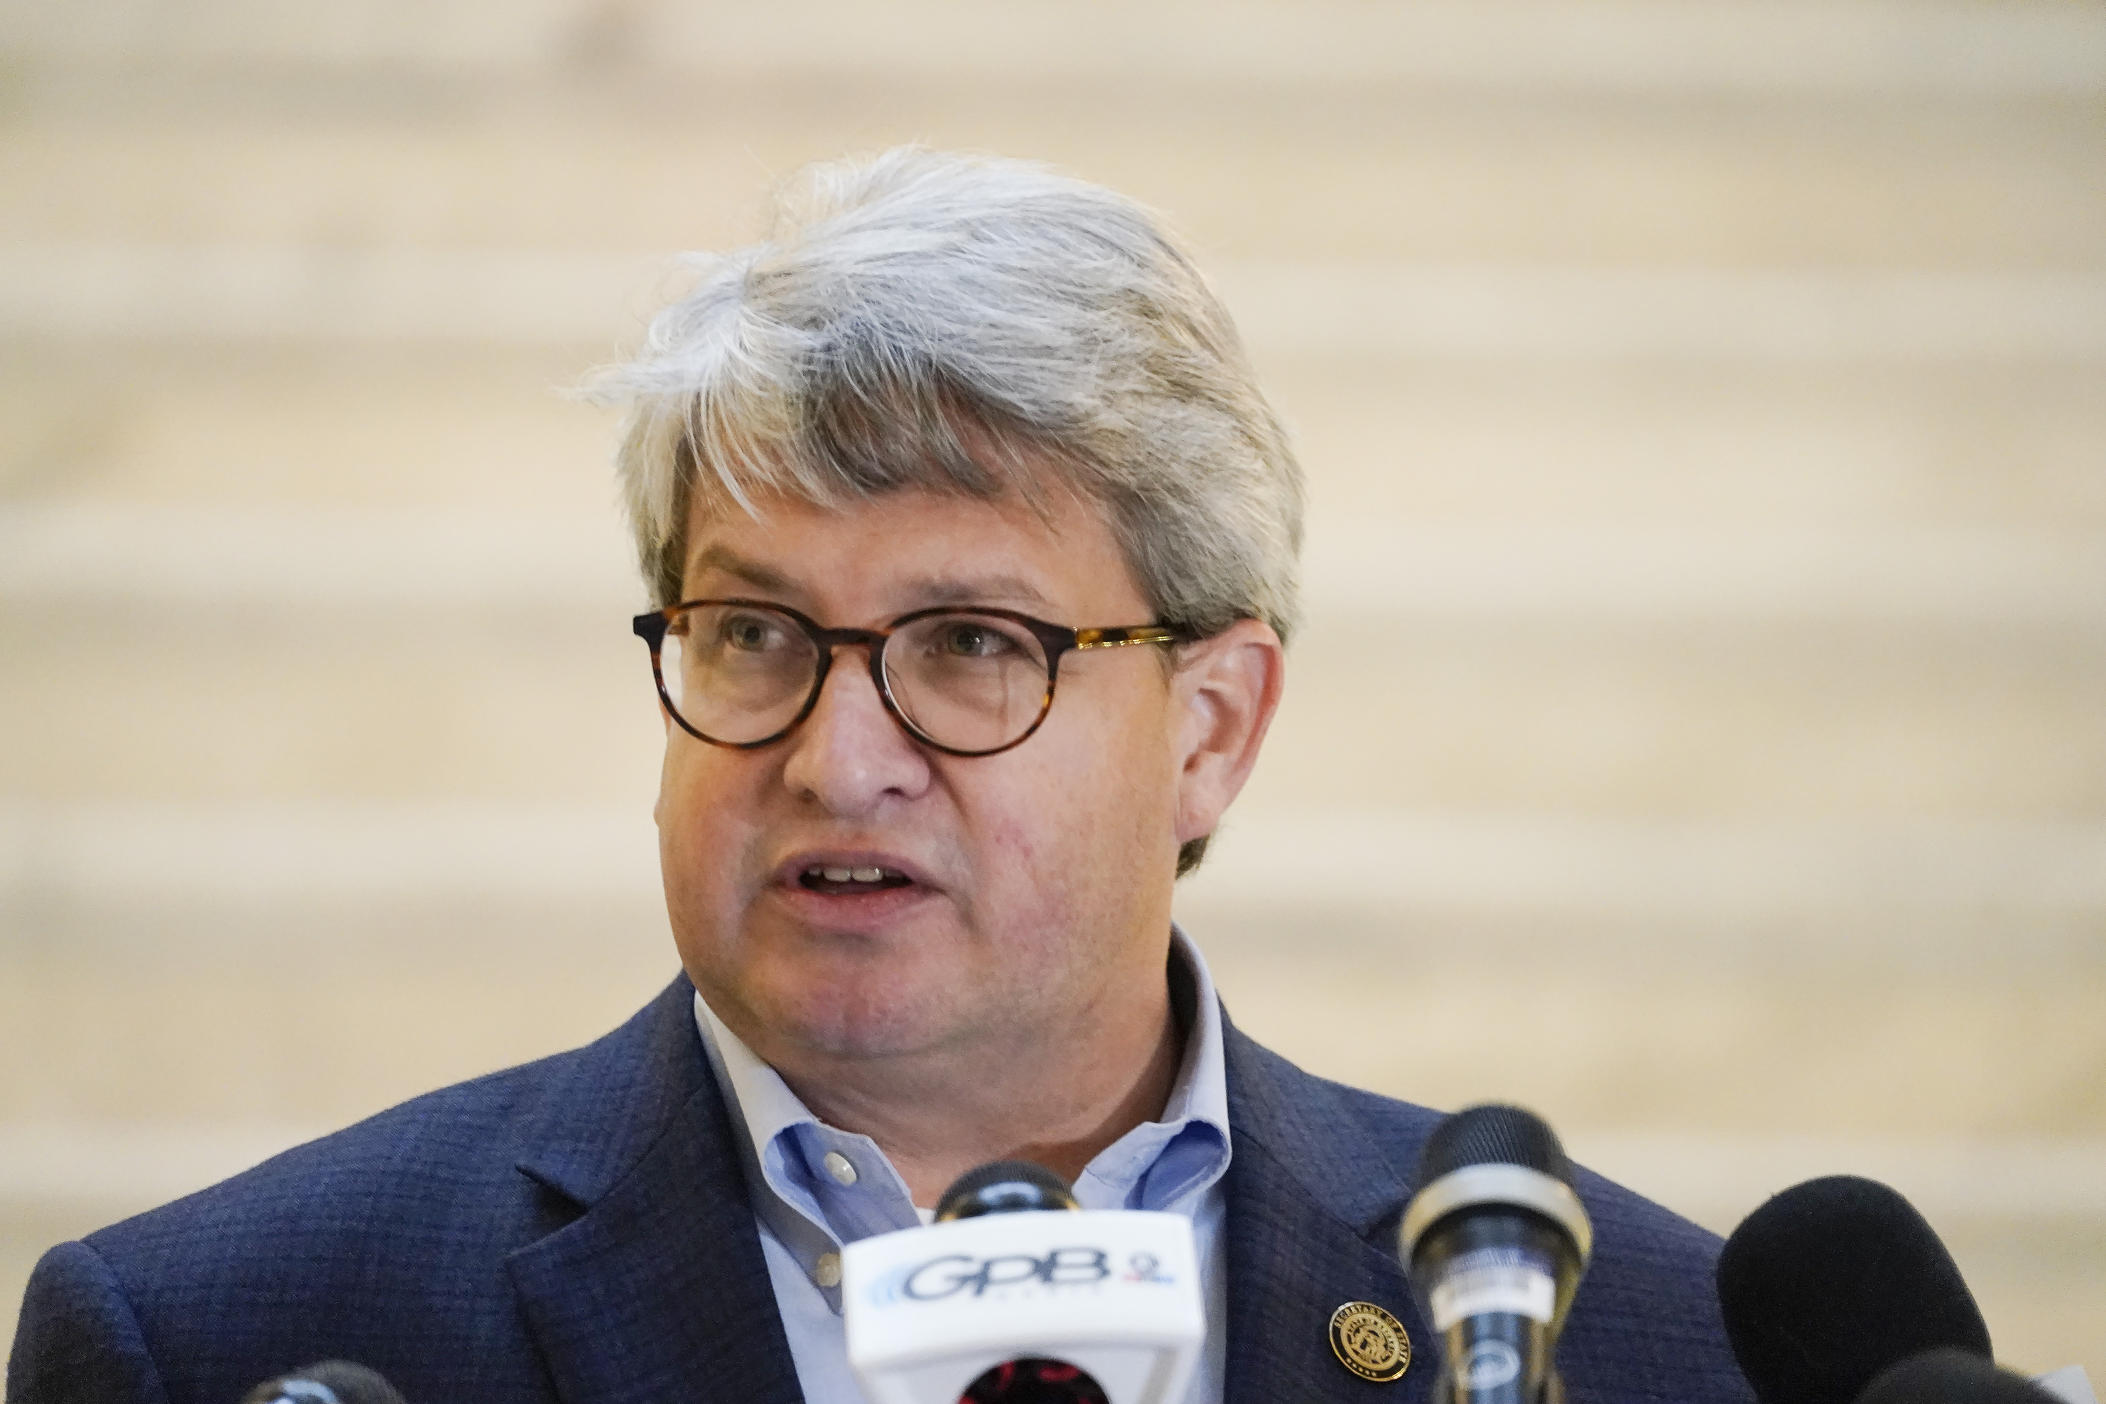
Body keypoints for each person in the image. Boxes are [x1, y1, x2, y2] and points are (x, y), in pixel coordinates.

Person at [8, 148, 1751, 1404]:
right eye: (754, 635)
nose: (839, 762)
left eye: (972, 645)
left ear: (1209, 730)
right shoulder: (217, 1340)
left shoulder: (1665, 1346)